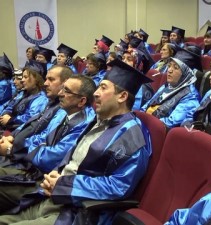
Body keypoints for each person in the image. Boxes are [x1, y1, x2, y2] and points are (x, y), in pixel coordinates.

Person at [0, 58, 153, 224]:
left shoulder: (131, 135)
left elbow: (118, 186)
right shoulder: (98, 121)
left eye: (103, 88)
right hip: (52, 197)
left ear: (122, 96)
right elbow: (72, 156)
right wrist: (57, 173)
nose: (95, 93)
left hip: (78, 212)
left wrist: (63, 183)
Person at [0, 74, 96, 213]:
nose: (60, 93)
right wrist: (16, 143)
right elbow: (41, 137)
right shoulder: (63, 113)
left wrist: (12, 149)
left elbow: (54, 156)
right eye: (62, 89)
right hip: (33, 168)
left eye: (67, 91)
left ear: (81, 101)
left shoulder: (85, 123)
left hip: (44, 180)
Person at [141, 52, 200, 129]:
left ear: (186, 73)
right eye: (169, 66)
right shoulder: (167, 85)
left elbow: (171, 123)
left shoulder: (190, 96)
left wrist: (146, 122)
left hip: (157, 131)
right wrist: (140, 117)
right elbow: (147, 106)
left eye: (175, 68)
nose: (169, 70)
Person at [0, 60, 48, 132]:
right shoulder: (23, 93)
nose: (22, 80)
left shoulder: (41, 98)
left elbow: (31, 118)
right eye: (22, 77)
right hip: (9, 127)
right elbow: (10, 106)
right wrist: (6, 114)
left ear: (36, 79)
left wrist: (11, 120)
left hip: (21, 131)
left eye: (25, 77)